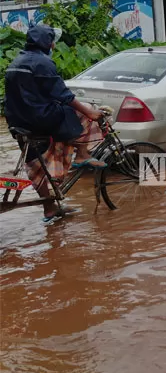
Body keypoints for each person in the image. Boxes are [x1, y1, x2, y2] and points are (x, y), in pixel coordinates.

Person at [4, 24, 106, 223]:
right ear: (48, 43)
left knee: (35, 163)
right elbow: (64, 95)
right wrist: (90, 112)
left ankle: (49, 209)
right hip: (40, 120)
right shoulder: (42, 63)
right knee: (81, 112)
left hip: (17, 122)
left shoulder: (17, 61)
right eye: (52, 42)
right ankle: (83, 154)